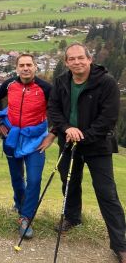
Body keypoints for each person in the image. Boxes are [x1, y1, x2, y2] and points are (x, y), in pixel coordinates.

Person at [47, 42, 126, 262]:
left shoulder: (107, 83)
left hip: (97, 145)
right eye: (71, 59)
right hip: (67, 142)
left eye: (81, 57)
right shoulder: (62, 81)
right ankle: (73, 218)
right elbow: (53, 110)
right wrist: (66, 129)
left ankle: (120, 244)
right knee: (69, 182)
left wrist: (83, 136)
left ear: (90, 59)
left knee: (106, 193)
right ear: (66, 62)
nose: (77, 62)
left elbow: (108, 118)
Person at [0, 54, 52, 239]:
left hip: (35, 140)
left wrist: (52, 135)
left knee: (34, 180)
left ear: (35, 67)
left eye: (29, 65)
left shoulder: (46, 88)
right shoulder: (9, 84)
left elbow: (59, 110)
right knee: (17, 178)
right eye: (22, 65)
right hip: (12, 138)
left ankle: (26, 217)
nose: (25, 68)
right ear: (16, 68)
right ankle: (20, 205)